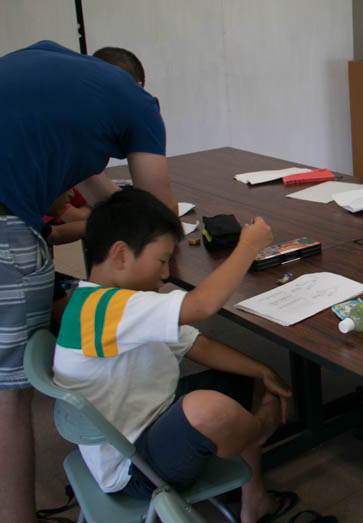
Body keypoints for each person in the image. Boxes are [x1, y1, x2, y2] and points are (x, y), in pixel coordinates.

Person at [0, 40, 176, 522]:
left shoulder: (50, 61)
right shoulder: (138, 104)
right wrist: (172, 270)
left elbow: (97, 194)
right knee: (8, 394)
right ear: (140, 88)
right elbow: (156, 214)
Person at [53, 189, 299, 523]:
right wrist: (248, 246)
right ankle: (261, 428)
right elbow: (202, 306)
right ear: (120, 255)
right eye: (161, 260)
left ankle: (253, 498)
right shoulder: (106, 308)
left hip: (150, 419)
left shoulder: (108, 304)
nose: (167, 273)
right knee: (209, 409)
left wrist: (262, 369)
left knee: (245, 377)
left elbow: (196, 345)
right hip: (134, 467)